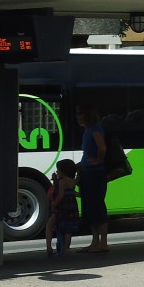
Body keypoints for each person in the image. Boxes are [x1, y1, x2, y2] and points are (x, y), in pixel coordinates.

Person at [75, 104, 110, 253]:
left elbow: (102, 148)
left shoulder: (95, 129)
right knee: (90, 208)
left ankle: (102, 243)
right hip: (88, 172)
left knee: (97, 207)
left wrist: (98, 160)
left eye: (80, 113)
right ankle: (95, 242)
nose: (78, 116)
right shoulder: (88, 130)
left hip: (94, 174)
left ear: (87, 114)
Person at [44, 158, 80, 258]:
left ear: (63, 171)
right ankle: (66, 248)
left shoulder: (62, 182)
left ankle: (49, 247)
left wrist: (54, 204)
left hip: (61, 207)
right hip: (71, 207)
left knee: (49, 226)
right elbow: (73, 193)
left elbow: (60, 195)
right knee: (68, 229)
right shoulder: (72, 181)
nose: (57, 172)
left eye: (58, 170)